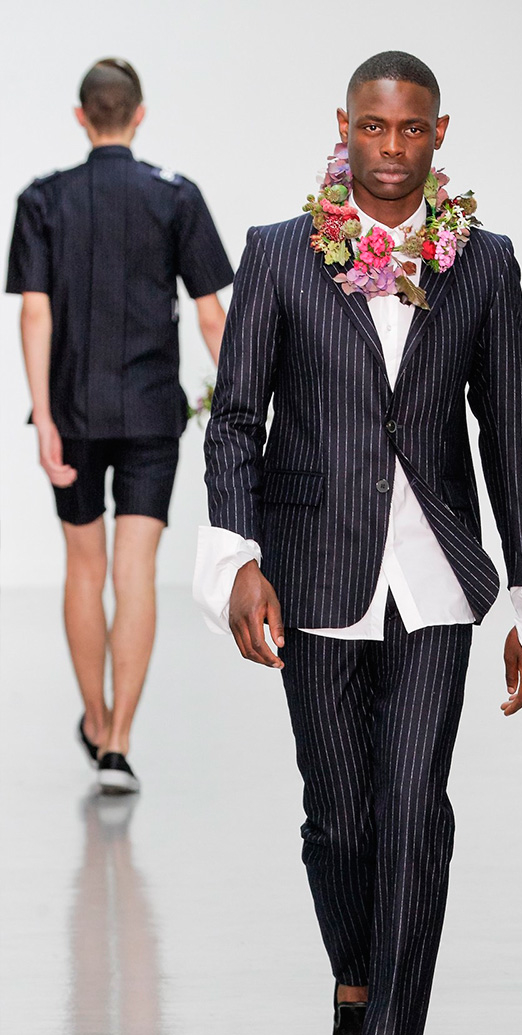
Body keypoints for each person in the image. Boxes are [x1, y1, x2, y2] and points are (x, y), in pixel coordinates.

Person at [194, 50, 522, 1035]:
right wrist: (237, 557)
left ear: (439, 132)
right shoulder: (278, 252)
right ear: (343, 126)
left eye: (411, 129)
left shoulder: (483, 262)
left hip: (437, 579)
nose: (392, 149)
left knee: (413, 810)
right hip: (314, 571)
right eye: (373, 127)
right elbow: (235, 419)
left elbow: (509, 433)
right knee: (340, 817)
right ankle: (353, 974)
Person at [6, 59, 234, 794]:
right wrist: (247, 402)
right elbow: (211, 316)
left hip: (71, 411)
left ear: (82, 116)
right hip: (149, 414)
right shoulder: (175, 195)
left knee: (84, 568)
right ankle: (118, 745)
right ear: (139, 115)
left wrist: (43, 415)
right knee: (135, 572)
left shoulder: (42, 198)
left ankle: (97, 718)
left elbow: (33, 313)